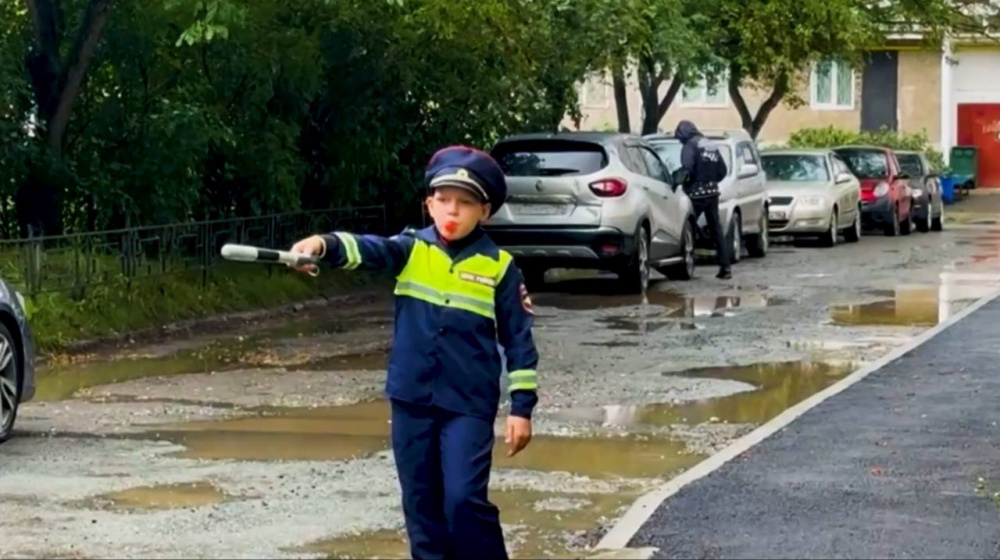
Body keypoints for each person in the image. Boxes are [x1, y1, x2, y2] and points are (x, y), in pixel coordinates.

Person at [288, 145, 539, 560]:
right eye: (443, 201)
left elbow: (519, 341)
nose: (452, 212)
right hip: (412, 400)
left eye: (464, 203)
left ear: (485, 211)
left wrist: (521, 408)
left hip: (468, 406)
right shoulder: (411, 250)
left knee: (462, 501)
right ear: (429, 204)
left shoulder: (500, 266)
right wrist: (322, 244)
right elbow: (367, 249)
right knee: (421, 508)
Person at [675, 120, 732, 280]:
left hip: (696, 193)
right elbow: (722, 170)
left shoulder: (690, 146)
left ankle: (685, 265)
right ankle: (725, 268)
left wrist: (682, 183)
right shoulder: (709, 144)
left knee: (687, 227)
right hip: (713, 192)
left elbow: (688, 168)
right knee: (717, 229)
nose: (680, 141)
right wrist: (711, 181)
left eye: (680, 138)